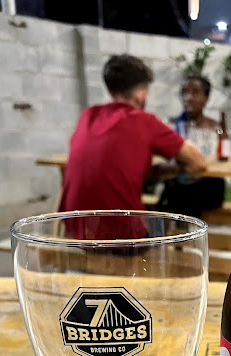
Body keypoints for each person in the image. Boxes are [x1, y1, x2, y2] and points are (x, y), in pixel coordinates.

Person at [59, 55, 207, 240]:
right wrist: (175, 170)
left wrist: (153, 171)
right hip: (125, 237)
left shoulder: (88, 116)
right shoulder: (143, 121)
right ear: (140, 94)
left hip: (75, 232)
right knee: (175, 209)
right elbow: (199, 163)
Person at [159, 76, 225, 219]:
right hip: (179, 185)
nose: (188, 98)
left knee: (181, 194)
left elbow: (222, 161)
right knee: (175, 190)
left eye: (195, 92)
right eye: (185, 92)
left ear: (206, 98)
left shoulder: (216, 128)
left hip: (207, 186)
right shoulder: (172, 126)